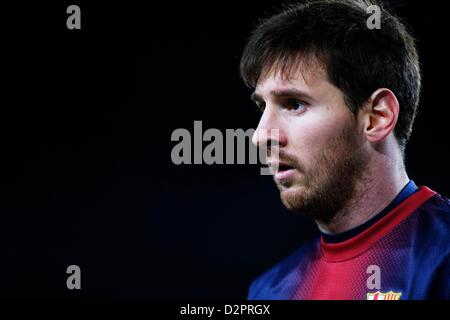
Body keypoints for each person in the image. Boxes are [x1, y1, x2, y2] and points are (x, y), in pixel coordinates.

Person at [240, 0, 450, 300]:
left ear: (377, 117)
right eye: (262, 106)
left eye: (294, 104)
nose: (261, 135)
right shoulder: (268, 291)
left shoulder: (442, 260)